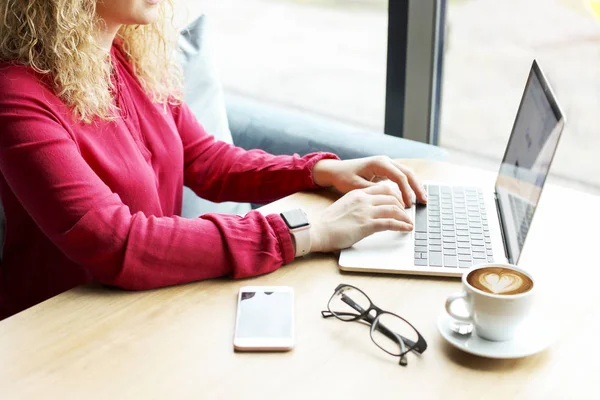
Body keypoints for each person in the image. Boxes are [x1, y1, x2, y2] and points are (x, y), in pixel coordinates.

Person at [0, 0, 426, 320]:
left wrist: (317, 170)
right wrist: (308, 232)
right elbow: (118, 243)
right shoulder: (16, 95)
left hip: (146, 307)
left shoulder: (125, 58)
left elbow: (204, 160)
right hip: (57, 333)